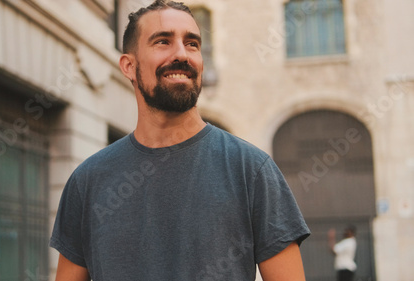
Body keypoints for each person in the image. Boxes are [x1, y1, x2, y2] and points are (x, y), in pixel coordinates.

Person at [50, 1, 310, 280]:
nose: (182, 54)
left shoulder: (252, 171)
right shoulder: (88, 181)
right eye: (163, 41)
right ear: (128, 66)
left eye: (192, 44)